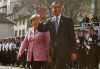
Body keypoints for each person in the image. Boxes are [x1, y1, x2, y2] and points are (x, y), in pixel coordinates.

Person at [38, 1, 77, 69]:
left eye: (57, 7)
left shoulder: (68, 21)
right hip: (53, 53)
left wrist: (73, 51)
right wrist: (41, 20)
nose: (56, 9)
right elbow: (41, 29)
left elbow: (72, 37)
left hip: (64, 52)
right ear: (52, 9)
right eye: (54, 7)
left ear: (60, 8)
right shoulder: (49, 21)